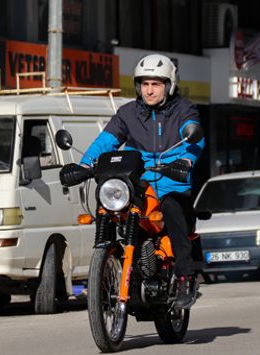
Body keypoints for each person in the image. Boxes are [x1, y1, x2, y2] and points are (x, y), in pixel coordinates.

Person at [78, 54, 204, 308]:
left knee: (172, 208)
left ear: (169, 85)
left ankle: (184, 278)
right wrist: (84, 163)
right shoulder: (127, 113)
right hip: (141, 183)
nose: (149, 90)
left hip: (172, 181)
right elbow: (107, 140)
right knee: (110, 204)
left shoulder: (184, 110)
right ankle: (105, 263)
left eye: (156, 84)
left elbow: (194, 137)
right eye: (144, 84)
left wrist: (186, 161)